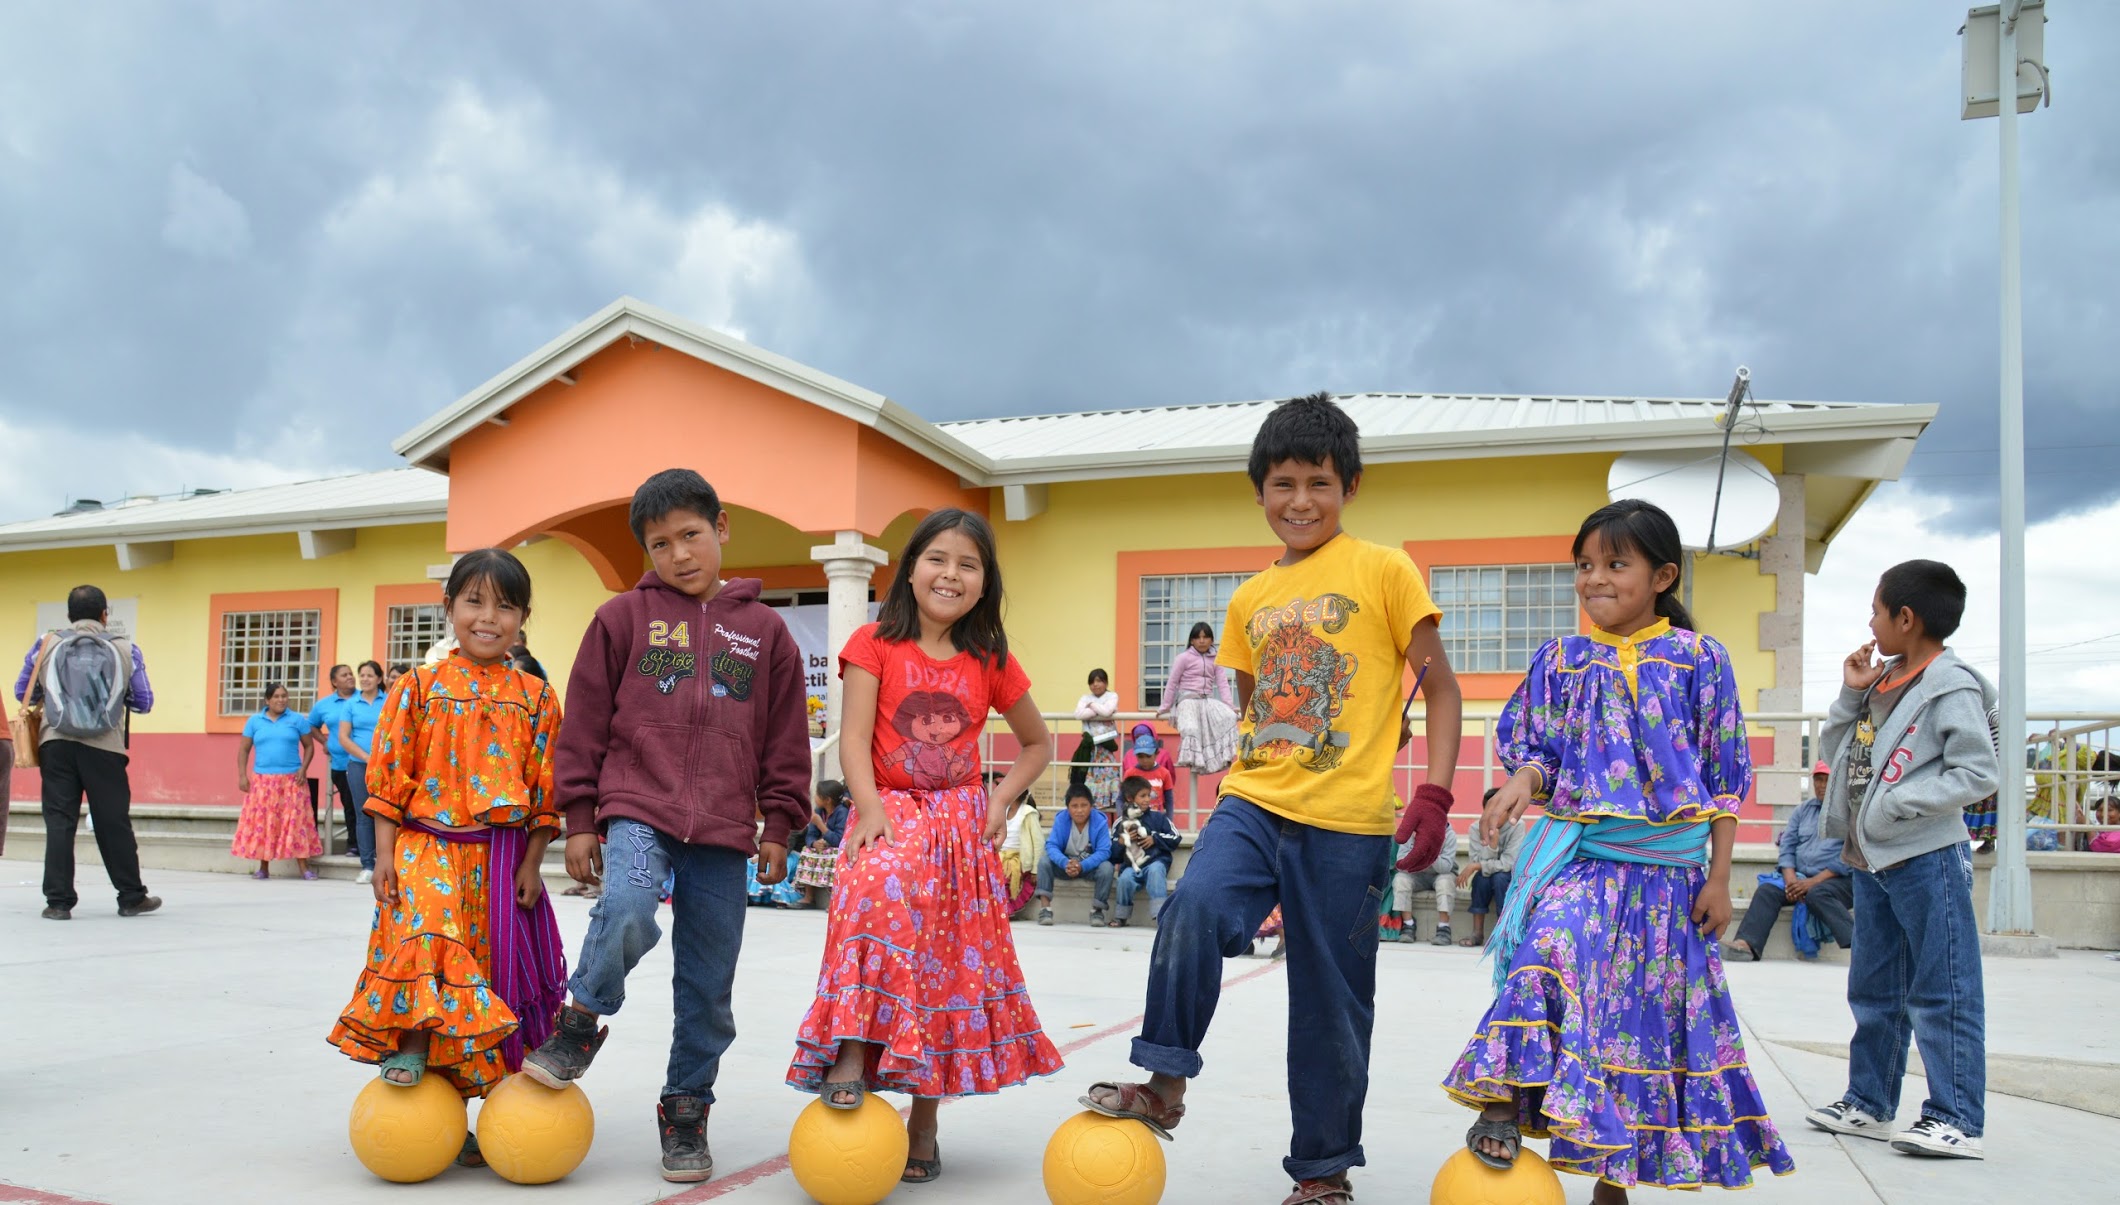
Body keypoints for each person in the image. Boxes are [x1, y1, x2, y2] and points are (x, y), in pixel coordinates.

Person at [1083, 393, 1464, 1205]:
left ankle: (1323, 1172)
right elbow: (1257, 706)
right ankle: (1163, 1080)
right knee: (1192, 907)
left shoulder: (1385, 569)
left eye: (1318, 482)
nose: (1300, 500)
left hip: (1349, 826)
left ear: (1350, 485)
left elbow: (1440, 690)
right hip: (1255, 802)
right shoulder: (1248, 599)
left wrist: (1432, 789)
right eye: (1283, 483)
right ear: (1258, 490)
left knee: (1330, 1001)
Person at [1446, 499, 1792, 1200]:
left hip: (1670, 880)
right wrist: (1520, 781)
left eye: (1614, 563)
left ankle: (1614, 1185)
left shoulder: (1701, 658)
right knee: (1545, 952)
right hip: (1586, 864)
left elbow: (1724, 783)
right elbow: (1540, 750)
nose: (1593, 578)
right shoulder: (1562, 659)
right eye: (1583, 565)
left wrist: (1721, 878)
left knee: (1635, 1028)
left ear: (1662, 575)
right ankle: (1505, 1100)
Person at [523, 468, 812, 1184]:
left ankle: (686, 1106)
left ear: (721, 529)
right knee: (626, 903)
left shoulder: (764, 631)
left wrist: (779, 821)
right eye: (661, 543)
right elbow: (584, 724)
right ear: (646, 552)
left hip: (723, 826)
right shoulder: (621, 618)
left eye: (691, 534)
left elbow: (784, 736)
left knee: (709, 983)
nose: (679, 554)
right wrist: (581, 816)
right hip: (636, 804)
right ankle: (581, 1018)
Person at [786, 507, 1062, 1187]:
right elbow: (853, 739)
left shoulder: (990, 657)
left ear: (984, 581)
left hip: (961, 829)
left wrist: (1001, 800)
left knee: (944, 965)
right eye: (938, 557)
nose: (951, 573)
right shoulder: (873, 642)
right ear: (910, 568)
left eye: (969, 564)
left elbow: (1038, 743)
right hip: (889, 810)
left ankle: (926, 1121)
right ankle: (851, 1049)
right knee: (870, 893)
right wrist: (871, 807)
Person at [325, 549, 567, 1171]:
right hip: (425, 846)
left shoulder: (538, 698)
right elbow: (387, 779)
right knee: (427, 938)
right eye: (475, 602)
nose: (489, 618)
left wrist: (533, 865)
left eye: (505, 606)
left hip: (500, 856)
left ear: (523, 617)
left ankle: (467, 1114)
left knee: (481, 981)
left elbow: (545, 794)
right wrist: (382, 856)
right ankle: (406, 1044)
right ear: (449, 608)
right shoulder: (416, 688)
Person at [1805, 559, 1999, 1160]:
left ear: (1906, 617)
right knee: (1874, 988)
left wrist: (1896, 804)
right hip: (1869, 860)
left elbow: (1978, 770)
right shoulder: (1883, 681)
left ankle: (1956, 1117)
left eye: (1876, 610)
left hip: (1926, 856)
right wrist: (1849, 692)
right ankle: (1868, 1103)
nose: (1870, 621)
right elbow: (1839, 755)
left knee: (1943, 987)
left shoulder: (1950, 686)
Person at [16, 584, 160, 920]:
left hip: (55, 743)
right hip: (104, 747)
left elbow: (22, 690)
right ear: (104, 614)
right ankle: (131, 897)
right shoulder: (127, 649)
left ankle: (58, 903)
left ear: (68, 616)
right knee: (113, 822)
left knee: (59, 822)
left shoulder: (46, 643)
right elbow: (144, 703)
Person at [1726, 761, 1853, 961]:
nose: (1821, 785)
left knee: (1818, 894)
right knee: (1768, 891)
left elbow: (1848, 856)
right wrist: (1791, 879)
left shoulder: (1848, 813)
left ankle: (1859, 945)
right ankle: (1746, 945)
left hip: (1835, 880)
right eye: (1818, 780)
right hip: (1799, 878)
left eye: (1827, 780)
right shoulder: (1802, 811)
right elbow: (1787, 846)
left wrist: (1811, 883)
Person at [231, 682, 321, 879]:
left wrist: (303, 769)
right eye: (277, 697)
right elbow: (244, 750)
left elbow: (309, 746)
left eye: (284, 696)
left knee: (296, 822)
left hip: (292, 780)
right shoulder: (255, 721)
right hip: (263, 781)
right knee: (265, 822)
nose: (281, 700)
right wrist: (242, 775)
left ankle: (304, 868)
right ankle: (263, 867)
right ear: (267, 700)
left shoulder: (297, 720)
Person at [1160, 622, 1239, 774]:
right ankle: (1193, 761)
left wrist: (1230, 705)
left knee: (1229, 717)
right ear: (1192, 641)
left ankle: (1219, 759)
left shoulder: (1216, 659)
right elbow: (1172, 683)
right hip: (1187, 700)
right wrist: (1165, 706)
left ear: (1211, 640)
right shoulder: (1183, 658)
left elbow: (1222, 683)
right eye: (1198, 637)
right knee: (1190, 728)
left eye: (1205, 637)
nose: (1202, 641)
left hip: (1205, 700)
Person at [336, 661, 389, 885]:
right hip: (358, 765)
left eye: (369, 675)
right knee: (363, 813)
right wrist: (367, 757)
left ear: (379, 678)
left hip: (386, 765)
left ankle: (388, 862)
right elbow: (344, 737)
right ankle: (367, 864)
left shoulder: (388, 701)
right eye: (362, 675)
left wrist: (380, 758)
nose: (365, 679)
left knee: (386, 813)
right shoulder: (351, 704)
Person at [1039, 783, 1117, 926]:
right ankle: (1045, 909)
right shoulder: (1061, 819)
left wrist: (1082, 866)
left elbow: (1104, 851)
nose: (1079, 810)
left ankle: (1097, 911)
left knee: (1107, 868)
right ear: (1068, 807)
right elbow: (1051, 845)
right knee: (1044, 862)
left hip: (1089, 866)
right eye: (1074, 806)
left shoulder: (1099, 820)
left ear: (1091, 806)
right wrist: (1064, 862)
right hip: (1066, 865)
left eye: (1084, 805)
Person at [1453, 791, 1520, 949]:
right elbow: (1476, 859)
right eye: (1490, 811)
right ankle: (1477, 932)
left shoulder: (1517, 827)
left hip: (1508, 876)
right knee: (1481, 879)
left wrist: (1478, 866)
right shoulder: (1476, 828)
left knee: (1500, 878)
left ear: (1509, 810)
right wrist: (1492, 845)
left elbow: (1509, 863)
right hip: (1487, 875)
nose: (1493, 816)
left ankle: (1504, 932)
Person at [1111, 775, 1180, 927]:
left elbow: (1176, 837)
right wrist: (1122, 842)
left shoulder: (1158, 818)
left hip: (1154, 862)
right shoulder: (1120, 823)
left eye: (1149, 795)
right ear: (1129, 798)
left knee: (1156, 871)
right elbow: (1112, 853)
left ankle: (1160, 916)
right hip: (1131, 866)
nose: (1147, 800)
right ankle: (1121, 916)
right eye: (1142, 796)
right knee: (1124, 880)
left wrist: (1154, 838)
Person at [1385, 815, 1457, 946]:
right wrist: (1416, 851)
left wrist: (1430, 852)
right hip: (1416, 874)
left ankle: (1443, 927)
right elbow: (1401, 864)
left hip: (1440, 874)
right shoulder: (1410, 835)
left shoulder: (1449, 834)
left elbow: (1446, 867)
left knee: (1445, 883)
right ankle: (1408, 925)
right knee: (1400, 880)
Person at [307, 664, 357, 855]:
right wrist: (324, 741)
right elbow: (311, 725)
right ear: (334, 682)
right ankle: (353, 844)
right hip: (341, 763)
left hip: (368, 762)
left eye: (351, 674)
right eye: (344, 675)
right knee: (350, 805)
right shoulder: (324, 705)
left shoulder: (363, 698)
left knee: (367, 807)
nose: (350, 677)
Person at [794, 779, 851, 908]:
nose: (815, 797)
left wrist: (821, 825)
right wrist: (814, 843)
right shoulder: (819, 811)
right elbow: (810, 835)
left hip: (836, 848)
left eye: (817, 795)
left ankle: (833, 900)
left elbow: (839, 840)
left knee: (834, 855)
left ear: (827, 800)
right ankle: (809, 897)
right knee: (807, 851)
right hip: (822, 848)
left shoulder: (842, 812)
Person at [1070, 668, 1122, 792]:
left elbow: (1107, 712)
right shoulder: (1085, 697)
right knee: (1089, 774)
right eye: (1092, 682)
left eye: (1099, 681)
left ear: (1106, 683)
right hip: (1090, 743)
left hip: (1106, 741)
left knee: (1108, 773)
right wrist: (1099, 710)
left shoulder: (1112, 696)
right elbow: (1078, 714)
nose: (1095, 684)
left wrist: (1091, 705)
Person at [998, 789, 1044, 916]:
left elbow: (1038, 843)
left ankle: (1006, 909)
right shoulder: (1003, 811)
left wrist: (1035, 870)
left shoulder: (1028, 813)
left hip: (1019, 859)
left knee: (1006, 875)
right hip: (1001, 856)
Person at [1127, 731, 1177, 812]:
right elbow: (1121, 798)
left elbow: (1169, 800)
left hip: (1156, 819)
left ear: (1157, 753)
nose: (1145, 760)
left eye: (1148, 756)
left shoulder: (1164, 773)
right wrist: (1122, 816)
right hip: (1135, 819)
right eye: (1140, 757)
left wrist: (1168, 820)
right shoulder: (1130, 773)